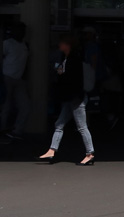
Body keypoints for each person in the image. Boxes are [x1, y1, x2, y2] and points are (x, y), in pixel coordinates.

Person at [38, 34, 95, 165]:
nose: (59, 45)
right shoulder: (68, 58)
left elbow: (71, 80)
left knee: (81, 127)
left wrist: (61, 75)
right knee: (59, 124)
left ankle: (90, 153)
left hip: (75, 98)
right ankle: (52, 150)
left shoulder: (73, 60)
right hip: (71, 98)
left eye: (62, 43)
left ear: (68, 45)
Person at [0, 22, 31, 140]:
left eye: (23, 31)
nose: (21, 33)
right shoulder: (7, 43)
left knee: (25, 106)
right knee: (6, 105)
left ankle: (17, 130)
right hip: (7, 76)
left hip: (19, 79)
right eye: (19, 30)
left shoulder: (25, 45)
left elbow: (26, 63)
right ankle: (1, 129)